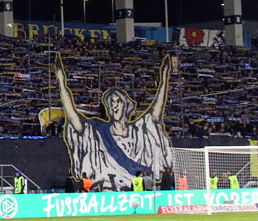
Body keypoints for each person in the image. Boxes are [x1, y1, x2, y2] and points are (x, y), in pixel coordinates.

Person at [54, 57, 175, 188]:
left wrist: (164, 79)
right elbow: (73, 117)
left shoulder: (138, 131)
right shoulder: (99, 130)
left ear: (126, 105)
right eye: (111, 103)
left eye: (118, 101)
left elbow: (155, 114)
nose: (114, 106)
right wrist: (61, 81)